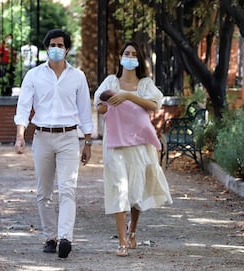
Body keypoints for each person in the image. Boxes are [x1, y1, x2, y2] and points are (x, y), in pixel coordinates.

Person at [14, 29, 94, 259]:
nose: (56, 49)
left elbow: (85, 113)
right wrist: (20, 135)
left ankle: (65, 238)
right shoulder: (33, 76)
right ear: (46, 48)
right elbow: (23, 108)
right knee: (44, 192)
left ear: (67, 49)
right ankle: (50, 237)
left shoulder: (77, 76)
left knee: (68, 188)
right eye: (52, 45)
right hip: (43, 137)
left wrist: (87, 142)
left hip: (69, 137)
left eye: (60, 45)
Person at [93, 41, 173, 257]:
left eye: (134, 53)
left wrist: (127, 96)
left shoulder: (145, 84)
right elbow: (99, 105)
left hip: (139, 144)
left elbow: (154, 105)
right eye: (126, 53)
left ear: (139, 59)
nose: (129, 56)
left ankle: (133, 230)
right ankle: (121, 242)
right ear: (120, 57)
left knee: (136, 192)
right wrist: (108, 104)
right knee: (119, 188)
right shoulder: (111, 81)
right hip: (115, 144)